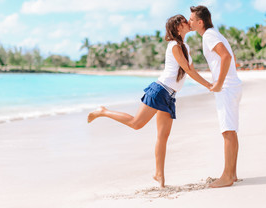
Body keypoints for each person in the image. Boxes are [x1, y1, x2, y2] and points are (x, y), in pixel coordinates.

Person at [88, 14, 212, 188]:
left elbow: (190, 70)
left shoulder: (185, 46)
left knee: (163, 136)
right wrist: (209, 85)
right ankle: (103, 111)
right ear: (178, 27)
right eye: (185, 21)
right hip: (160, 91)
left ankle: (159, 175)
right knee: (136, 123)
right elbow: (188, 71)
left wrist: (209, 82)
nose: (188, 23)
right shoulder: (175, 46)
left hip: (169, 96)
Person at [189, 5, 242, 188]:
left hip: (226, 88)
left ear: (200, 22)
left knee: (227, 131)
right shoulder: (215, 34)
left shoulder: (209, 35)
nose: (189, 22)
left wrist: (219, 82)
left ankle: (227, 177)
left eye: (191, 20)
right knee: (231, 130)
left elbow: (226, 57)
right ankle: (232, 174)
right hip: (232, 86)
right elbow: (230, 56)